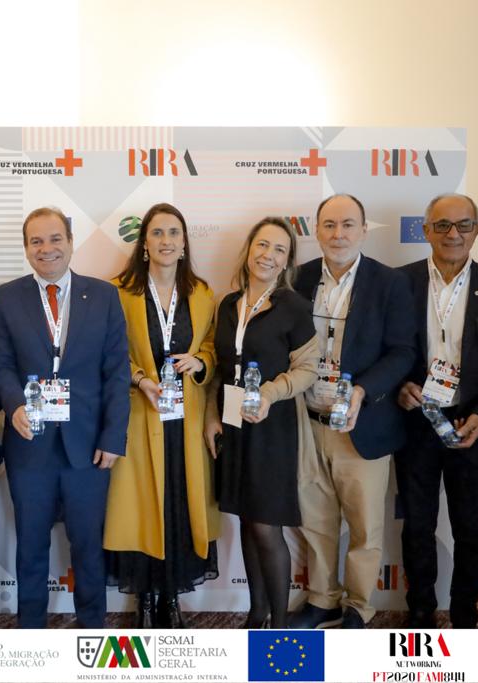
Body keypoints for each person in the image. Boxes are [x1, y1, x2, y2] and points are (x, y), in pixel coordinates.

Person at [0, 206, 129, 628]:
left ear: (70, 241)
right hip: (29, 444)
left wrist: (113, 437)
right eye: (36, 241)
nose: (46, 249)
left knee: (88, 547)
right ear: (26, 247)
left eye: (54, 239)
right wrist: (14, 405)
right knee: (30, 547)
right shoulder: (6, 297)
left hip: (88, 446)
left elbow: (117, 372)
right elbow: (1, 365)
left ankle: (92, 632)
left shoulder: (103, 295)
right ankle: (32, 634)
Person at [290, 194, 416, 629]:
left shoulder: (389, 282)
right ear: (316, 230)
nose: (338, 234)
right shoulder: (298, 279)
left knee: (365, 526)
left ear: (364, 230)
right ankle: (322, 599)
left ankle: (359, 605)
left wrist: (362, 391)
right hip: (308, 422)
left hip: (362, 424)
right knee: (316, 520)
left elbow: (402, 352)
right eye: (329, 225)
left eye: (347, 225)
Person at [394, 194, 478, 629]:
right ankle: (420, 611)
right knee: (417, 525)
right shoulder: (399, 283)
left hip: (472, 424)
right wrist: (398, 386)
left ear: (477, 230)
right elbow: (384, 348)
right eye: (442, 225)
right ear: (426, 230)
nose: (453, 234)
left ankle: (466, 615)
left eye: (464, 225)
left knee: (471, 528)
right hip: (416, 421)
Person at [104, 203, 220, 628]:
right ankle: (146, 598)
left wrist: (200, 361)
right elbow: (106, 353)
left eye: (174, 232)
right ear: (144, 243)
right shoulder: (118, 292)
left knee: (178, 505)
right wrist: (138, 378)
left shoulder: (202, 294)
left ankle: (171, 597)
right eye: (157, 233)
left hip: (186, 421)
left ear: (184, 242)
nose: (166, 241)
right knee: (142, 507)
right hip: (140, 415)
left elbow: (212, 348)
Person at [204, 217, 319, 629]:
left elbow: (308, 368)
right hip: (234, 425)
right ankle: (257, 615)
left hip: (272, 427)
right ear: (249, 249)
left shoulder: (293, 307)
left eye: (279, 250)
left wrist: (270, 393)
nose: (268, 255)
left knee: (267, 527)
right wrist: (211, 416)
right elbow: (221, 368)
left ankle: (280, 626)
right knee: (247, 520)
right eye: (263, 245)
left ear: (287, 261)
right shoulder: (227, 304)